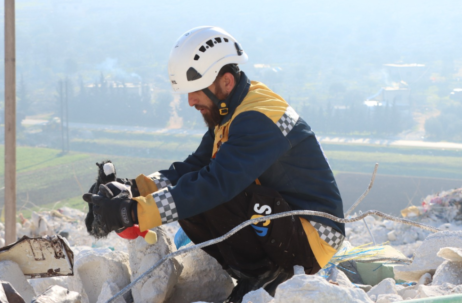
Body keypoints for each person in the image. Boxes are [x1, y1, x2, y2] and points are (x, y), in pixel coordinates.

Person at [83, 26, 345, 303]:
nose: (190, 101)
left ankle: (269, 276)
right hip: (288, 222)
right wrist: (130, 188)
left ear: (226, 82)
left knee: (205, 193)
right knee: (191, 191)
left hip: (313, 236)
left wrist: (133, 212)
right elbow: (193, 167)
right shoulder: (234, 109)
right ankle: (255, 277)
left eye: (195, 91)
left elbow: (215, 183)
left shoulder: (257, 117)